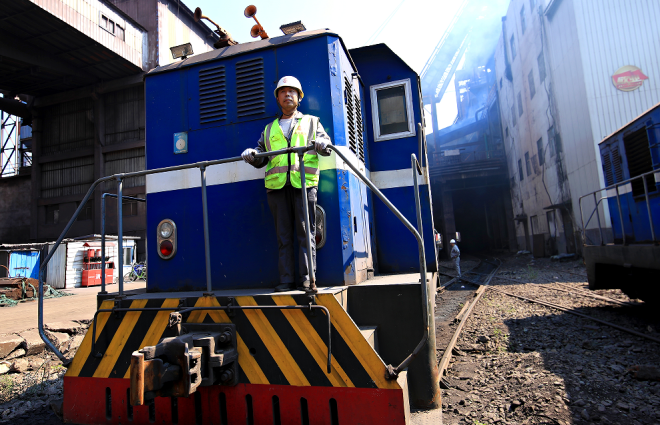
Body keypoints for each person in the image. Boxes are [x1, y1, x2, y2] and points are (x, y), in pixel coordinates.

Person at [241, 76, 332, 293]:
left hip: (304, 184)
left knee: (306, 232)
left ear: (299, 98)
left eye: (292, 91)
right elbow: (261, 156)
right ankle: (286, 279)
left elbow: (326, 147)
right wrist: (252, 155)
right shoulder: (269, 129)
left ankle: (308, 279)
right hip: (277, 188)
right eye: (283, 91)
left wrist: (323, 144)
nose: (287, 95)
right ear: (278, 98)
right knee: (283, 236)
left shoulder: (312, 122)